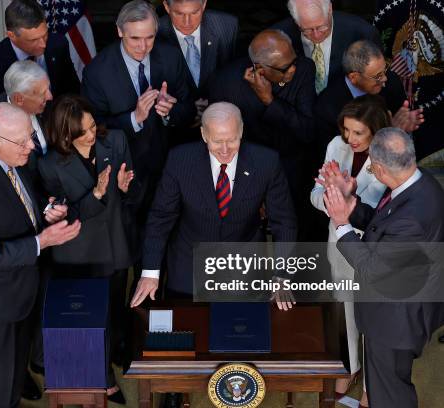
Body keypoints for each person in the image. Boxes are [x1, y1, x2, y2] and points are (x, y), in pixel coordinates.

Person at [0, 102, 81, 408]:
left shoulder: (2, 155)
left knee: (14, 370)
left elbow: (18, 194)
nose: (32, 146)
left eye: (31, 136)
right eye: (23, 142)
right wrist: (41, 241)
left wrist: (44, 211)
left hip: (19, 290)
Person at [324, 127, 444, 408]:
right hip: (401, 306)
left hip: (396, 319)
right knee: (383, 388)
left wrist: (342, 224)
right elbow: (384, 227)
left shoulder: (413, 218)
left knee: (391, 394)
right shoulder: (419, 181)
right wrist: (352, 203)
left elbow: (372, 266)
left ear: (377, 168)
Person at [131, 102, 297, 303]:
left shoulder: (266, 161)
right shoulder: (180, 160)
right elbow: (161, 216)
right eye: (217, 141)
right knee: (188, 330)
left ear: (241, 131)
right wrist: (150, 272)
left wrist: (282, 275)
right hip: (188, 269)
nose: (225, 150)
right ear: (203, 135)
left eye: (232, 140)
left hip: (246, 269)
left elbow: (284, 221)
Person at [38, 95, 137, 404]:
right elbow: (62, 215)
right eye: (83, 132)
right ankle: (102, 379)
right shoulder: (49, 164)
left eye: (93, 126)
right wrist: (94, 194)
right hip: (78, 252)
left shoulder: (116, 141)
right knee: (88, 318)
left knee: (115, 311)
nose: (92, 135)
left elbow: (134, 190)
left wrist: (124, 189)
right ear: (66, 135)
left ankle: (110, 361)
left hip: (116, 245)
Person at [82, 0, 196, 229]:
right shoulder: (97, 72)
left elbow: (190, 108)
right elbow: (93, 128)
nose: (143, 46)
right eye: (134, 38)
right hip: (126, 173)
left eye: (149, 37)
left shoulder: (171, 57)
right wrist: (134, 118)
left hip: (168, 167)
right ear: (119, 31)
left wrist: (171, 111)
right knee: (131, 240)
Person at [310, 95, 391, 407]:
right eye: (347, 130)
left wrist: (346, 195)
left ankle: (373, 385)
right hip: (339, 242)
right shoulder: (335, 145)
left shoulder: (389, 153)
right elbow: (315, 194)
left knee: (373, 318)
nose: (350, 139)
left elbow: (377, 209)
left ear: (376, 131)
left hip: (374, 248)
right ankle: (350, 368)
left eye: (359, 133)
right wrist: (333, 204)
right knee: (344, 310)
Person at [208, 29, 315, 240]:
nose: (293, 69)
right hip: (248, 170)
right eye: (285, 68)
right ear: (260, 69)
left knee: (291, 229)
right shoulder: (226, 84)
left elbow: (307, 131)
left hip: (291, 165)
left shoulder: (304, 69)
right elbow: (229, 145)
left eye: (293, 60)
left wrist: (270, 101)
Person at [0, 0, 79, 133]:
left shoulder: (58, 45)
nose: (43, 44)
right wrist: (3, 138)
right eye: (33, 40)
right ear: (11, 35)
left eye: (45, 35)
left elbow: (73, 91)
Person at [315, 40, 423, 147]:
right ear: (354, 77)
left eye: (384, 70)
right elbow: (339, 155)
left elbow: (402, 126)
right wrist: (389, 133)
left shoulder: (392, 81)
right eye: (377, 76)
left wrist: (405, 128)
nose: (385, 78)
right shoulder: (327, 108)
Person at [272, 0, 381, 93]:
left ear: (330, 10)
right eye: (307, 30)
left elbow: (375, 80)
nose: (316, 35)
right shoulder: (278, 37)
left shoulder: (363, 33)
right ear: (295, 21)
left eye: (321, 27)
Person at [157, 0, 238, 120]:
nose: (187, 22)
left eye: (194, 13)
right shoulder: (154, 32)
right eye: (179, 14)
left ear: (204, 4)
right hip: (176, 119)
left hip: (221, 115)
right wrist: (188, 110)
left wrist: (214, 108)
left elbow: (232, 74)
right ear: (166, 7)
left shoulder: (227, 25)